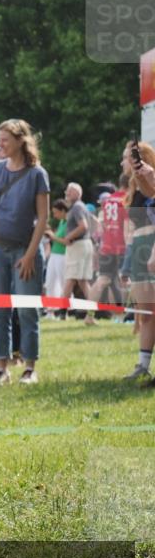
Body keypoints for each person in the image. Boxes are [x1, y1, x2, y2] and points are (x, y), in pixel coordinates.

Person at [0, 119, 50, 385]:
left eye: (5, 140)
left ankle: (30, 367)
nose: (0, 144)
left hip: (24, 250)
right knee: (0, 310)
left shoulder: (36, 174)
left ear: (21, 140)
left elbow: (42, 218)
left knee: (26, 310)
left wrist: (31, 254)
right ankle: (1, 367)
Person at [122, 140, 155, 384]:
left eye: (126, 157)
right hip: (139, 248)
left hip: (151, 245)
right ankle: (143, 364)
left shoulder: (149, 183)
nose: (123, 162)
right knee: (145, 313)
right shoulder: (135, 188)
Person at [53, 188, 96, 324]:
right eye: (66, 191)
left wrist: (68, 237)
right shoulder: (81, 207)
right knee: (83, 282)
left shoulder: (77, 207)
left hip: (78, 245)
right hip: (85, 244)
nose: (66, 193)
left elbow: (83, 226)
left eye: (70, 191)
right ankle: (90, 315)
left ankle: (62, 313)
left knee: (70, 279)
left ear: (78, 193)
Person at [92, 177, 130, 315]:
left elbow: (101, 226)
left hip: (106, 245)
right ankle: (121, 315)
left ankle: (89, 315)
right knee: (123, 279)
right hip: (121, 244)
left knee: (104, 279)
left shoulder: (107, 200)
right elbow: (127, 226)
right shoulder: (126, 199)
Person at [43, 200, 69, 306]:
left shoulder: (68, 223)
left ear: (63, 211)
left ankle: (66, 308)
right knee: (50, 282)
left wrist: (52, 236)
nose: (55, 215)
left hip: (62, 255)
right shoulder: (61, 222)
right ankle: (51, 308)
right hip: (54, 255)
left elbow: (66, 242)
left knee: (63, 282)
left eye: (56, 212)